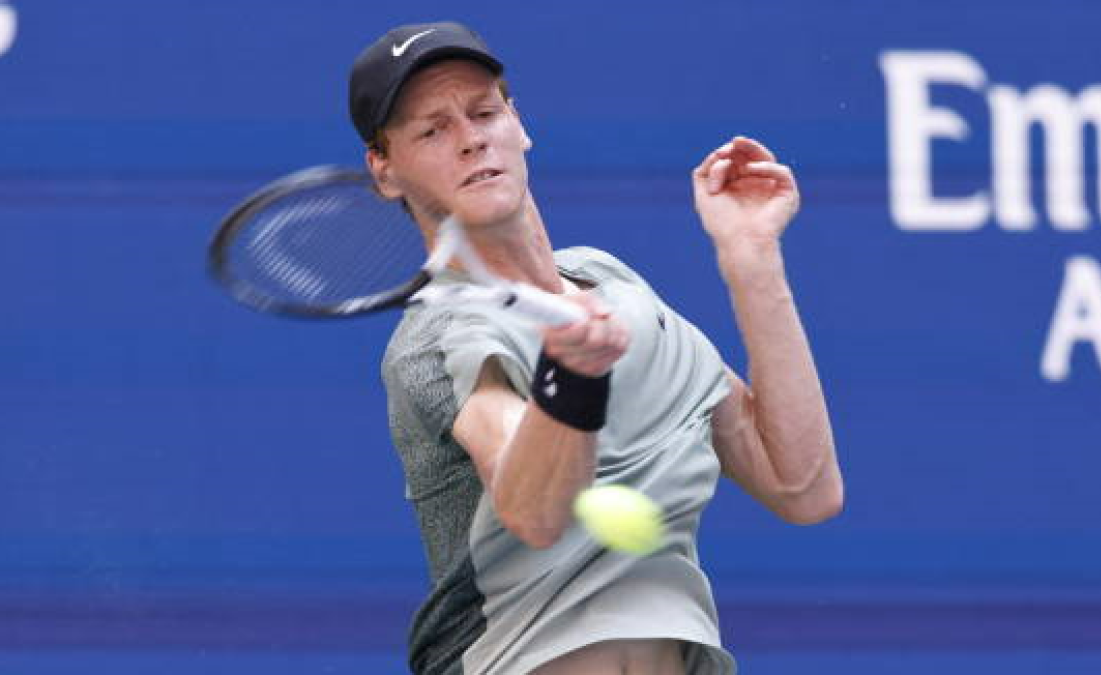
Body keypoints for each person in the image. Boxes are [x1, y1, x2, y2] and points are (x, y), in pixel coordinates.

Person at [348, 20, 842, 675]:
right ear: (384, 169)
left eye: (485, 112)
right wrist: (570, 378)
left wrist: (751, 259)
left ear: (519, 124)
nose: (471, 140)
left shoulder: (612, 284)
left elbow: (801, 485)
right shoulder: (438, 336)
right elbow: (534, 509)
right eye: (432, 129)